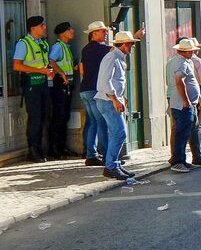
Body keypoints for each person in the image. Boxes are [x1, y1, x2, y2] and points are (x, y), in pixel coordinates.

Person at [95, 31, 141, 179]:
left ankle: (114, 164)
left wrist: (122, 97)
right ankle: (111, 166)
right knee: (120, 133)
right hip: (108, 101)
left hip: (111, 100)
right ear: (125, 44)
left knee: (116, 133)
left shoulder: (118, 57)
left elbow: (116, 81)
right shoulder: (112, 57)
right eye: (131, 44)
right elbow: (105, 81)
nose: (132, 47)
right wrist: (115, 99)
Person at [13, 16, 54, 162]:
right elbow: (17, 66)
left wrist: (49, 71)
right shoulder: (24, 43)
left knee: (45, 116)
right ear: (33, 28)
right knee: (35, 117)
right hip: (31, 84)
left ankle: (42, 148)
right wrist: (40, 71)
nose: (44, 27)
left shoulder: (43, 43)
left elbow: (45, 63)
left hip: (43, 83)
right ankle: (33, 150)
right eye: (42, 25)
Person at [169, 38, 201, 172]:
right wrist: (186, 101)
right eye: (191, 51)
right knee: (182, 133)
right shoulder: (181, 63)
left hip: (187, 103)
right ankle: (178, 161)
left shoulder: (183, 61)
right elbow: (180, 82)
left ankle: (183, 160)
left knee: (187, 131)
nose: (193, 52)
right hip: (183, 105)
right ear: (184, 51)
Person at [78, 21, 111, 166]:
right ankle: (105, 155)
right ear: (94, 34)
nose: (105, 34)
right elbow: (117, 51)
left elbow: (82, 69)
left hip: (85, 89)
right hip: (94, 90)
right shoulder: (101, 48)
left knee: (92, 122)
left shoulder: (85, 49)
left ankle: (91, 154)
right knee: (101, 122)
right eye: (102, 31)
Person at [48, 21, 80, 158]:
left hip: (67, 84)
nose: (72, 31)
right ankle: (54, 148)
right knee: (59, 116)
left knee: (64, 116)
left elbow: (63, 63)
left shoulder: (66, 47)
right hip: (59, 84)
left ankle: (62, 147)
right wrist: (61, 73)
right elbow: (51, 61)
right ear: (62, 33)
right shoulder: (58, 47)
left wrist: (73, 69)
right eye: (69, 30)